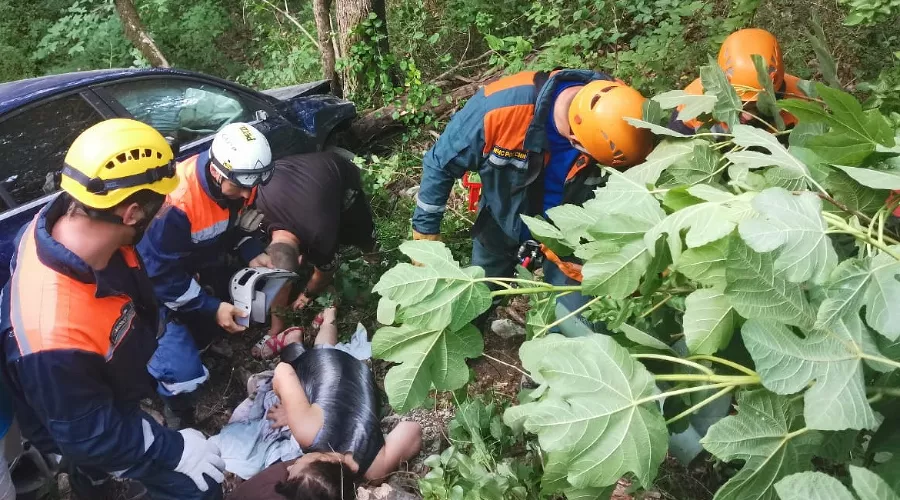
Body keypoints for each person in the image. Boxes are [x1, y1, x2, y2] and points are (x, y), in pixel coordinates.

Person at [0, 119, 225, 499]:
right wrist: (173, 451)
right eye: (160, 200)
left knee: (89, 460)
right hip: (76, 415)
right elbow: (89, 432)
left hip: (94, 386)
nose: (166, 206)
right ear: (132, 213)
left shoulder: (60, 226)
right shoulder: (52, 332)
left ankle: (94, 483)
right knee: (198, 487)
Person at [411, 70, 652, 336]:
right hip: (502, 222)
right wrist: (425, 235)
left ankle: (551, 367)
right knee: (474, 296)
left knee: (574, 319)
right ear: (575, 141)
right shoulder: (499, 109)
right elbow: (440, 164)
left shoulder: (627, 120)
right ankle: (457, 341)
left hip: (570, 239)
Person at [137, 122, 274, 429]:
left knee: (211, 316)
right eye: (239, 187)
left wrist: (250, 248)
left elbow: (230, 227)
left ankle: (199, 341)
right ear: (216, 172)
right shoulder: (176, 205)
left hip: (192, 267)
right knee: (182, 372)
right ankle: (175, 409)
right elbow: (158, 276)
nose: (246, 194)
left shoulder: (239, 184)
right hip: (150, 291)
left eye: (250, 188)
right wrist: (212, 307)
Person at [228, 307, 422, 500]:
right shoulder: (307, 430)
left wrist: (386, 464)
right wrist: (294, 410)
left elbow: (412, 429)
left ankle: (328, 317)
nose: (289, 466)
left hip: (360, 372)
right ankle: (318, 322)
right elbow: (282, 371)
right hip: (325, 367)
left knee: (323, 352)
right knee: (313, 356)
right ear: (320, 459)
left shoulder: (373, 469)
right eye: (294, 470)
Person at [252, 151, 377, 348]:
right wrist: (276, 328)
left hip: (339, 172)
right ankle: (276, 331)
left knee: (362, 234)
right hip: (298, 171)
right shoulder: (259, 204)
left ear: (301, 260)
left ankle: (376, 260)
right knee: (282, 274)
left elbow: (324, 274)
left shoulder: (321, 237)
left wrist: (306, 295)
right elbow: (280, 274)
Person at [669, 28, 808, 134]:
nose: (747, 116)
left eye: (756, 106)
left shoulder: (804, 104)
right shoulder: (691, 106)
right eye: (741, 105)